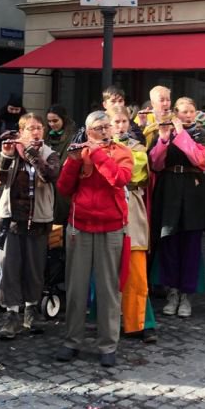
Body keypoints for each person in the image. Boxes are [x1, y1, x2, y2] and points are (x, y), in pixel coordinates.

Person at [55, 110, 133, 367]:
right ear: (88, 132)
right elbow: (64, 188)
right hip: (80, 226)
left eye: (107, 126)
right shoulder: (80, 152)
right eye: (98, 128)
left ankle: (108, 345)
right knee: (76, 288)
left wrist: (97, 153)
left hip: (111, 227)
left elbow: (119, 179)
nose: (104, 131)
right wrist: (73, 162)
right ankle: (72, 341)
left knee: (108, 289)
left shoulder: (122, 151)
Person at [0, 113, 60, 339]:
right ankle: (12, 314)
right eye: (30, 128)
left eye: (39, 127)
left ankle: (31, 310)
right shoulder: (12, 152)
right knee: (10, 268)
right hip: (12, 219)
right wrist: (5, 156)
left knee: (34, 267)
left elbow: (49, 175)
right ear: (21, 132)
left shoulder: (49, 154)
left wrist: (32, 154)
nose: (36, 132)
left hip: (38, 219)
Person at [149, 96, 205, 319]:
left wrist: (181, 133)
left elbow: (198, 158)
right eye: (183, 112)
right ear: (175, 113)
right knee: (169, 242)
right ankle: (172, 292)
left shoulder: (201, 133)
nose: (188, 115)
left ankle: (186, 294)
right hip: (169, 189)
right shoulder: (164, 131)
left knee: (191, 244)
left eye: (191, 111)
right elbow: (155, 163)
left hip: (193, 191)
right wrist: (164, 138)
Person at [109, 104, 157, 343]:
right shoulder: (96, 146)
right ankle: (107, 321)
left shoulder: (138, 148)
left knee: (136, 269)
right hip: (107, 207)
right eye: (115, 122)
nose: (120, 126)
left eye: (124, 122)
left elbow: (134, 173)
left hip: (132, 208)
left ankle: (139, 322)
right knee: (107, 268)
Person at [45, 104, 77, 226]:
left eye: (55, 121)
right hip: (47, 183)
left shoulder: (72, 137)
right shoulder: (46, 135)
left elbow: (65, 162)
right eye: (49, 121)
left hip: (61, 185)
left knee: (60, 220)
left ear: (63, 119)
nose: (52, 124)